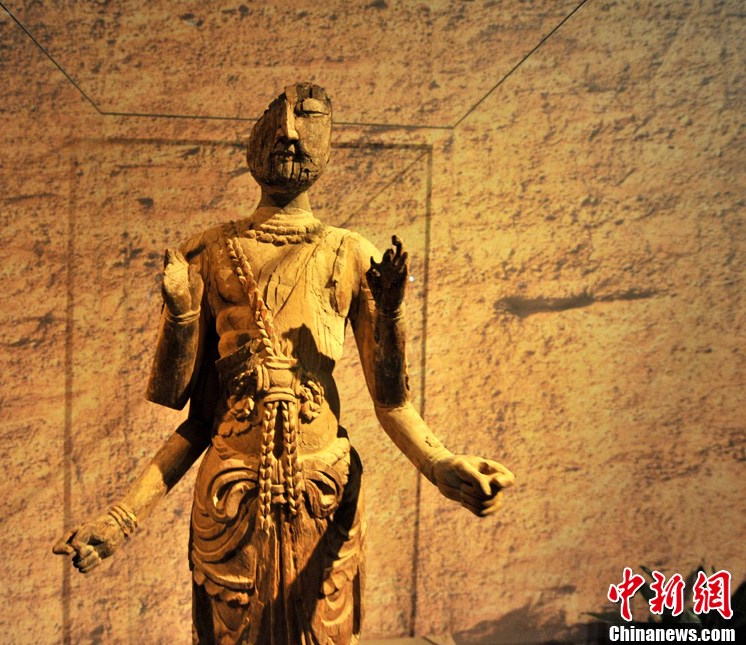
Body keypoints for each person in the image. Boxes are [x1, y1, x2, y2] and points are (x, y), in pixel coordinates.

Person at [54, 82, 514, 644]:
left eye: (309, 117)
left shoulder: (353, 254)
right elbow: (194, 419)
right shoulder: (207, 253)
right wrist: (120, 521)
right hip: (230, 495)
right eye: (276, 120)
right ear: (253, 144)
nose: (290, 133)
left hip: (324, 492)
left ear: (329, 142)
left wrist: (441, 466)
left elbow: (392, 402)